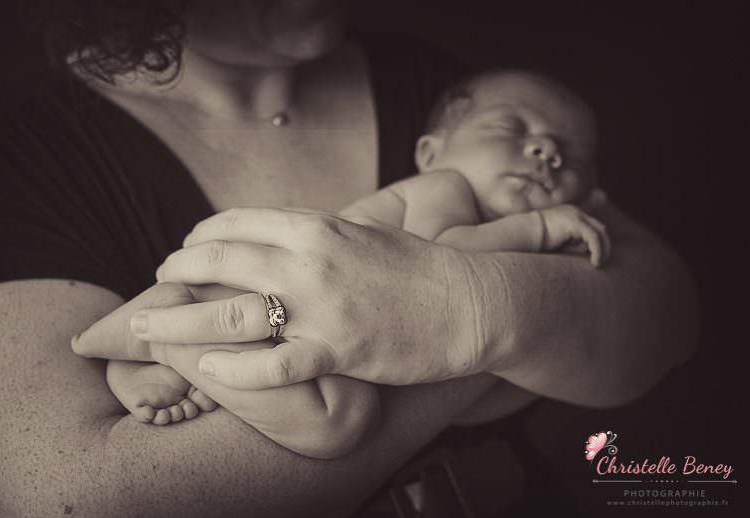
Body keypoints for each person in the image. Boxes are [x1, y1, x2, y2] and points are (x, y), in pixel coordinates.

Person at [0, 1, 697, 518]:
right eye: (521, 135)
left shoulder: (449, 95)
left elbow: (666, 312)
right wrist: (517, 318)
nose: (545, 152)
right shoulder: (23, 162)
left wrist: (468, 309)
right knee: (335, 415)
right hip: (236, 355)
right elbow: (77, 512)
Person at [76, 69, 609, 454]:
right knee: (340, 423)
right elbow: (441, 267)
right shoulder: (441, 189)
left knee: (336, 426)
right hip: (273, 300)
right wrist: (537, 230)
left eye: (572, 154)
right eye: (511, 130)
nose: (546, 153)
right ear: (429, 152)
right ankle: (163, 335)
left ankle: (178, 358)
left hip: (323, 340)